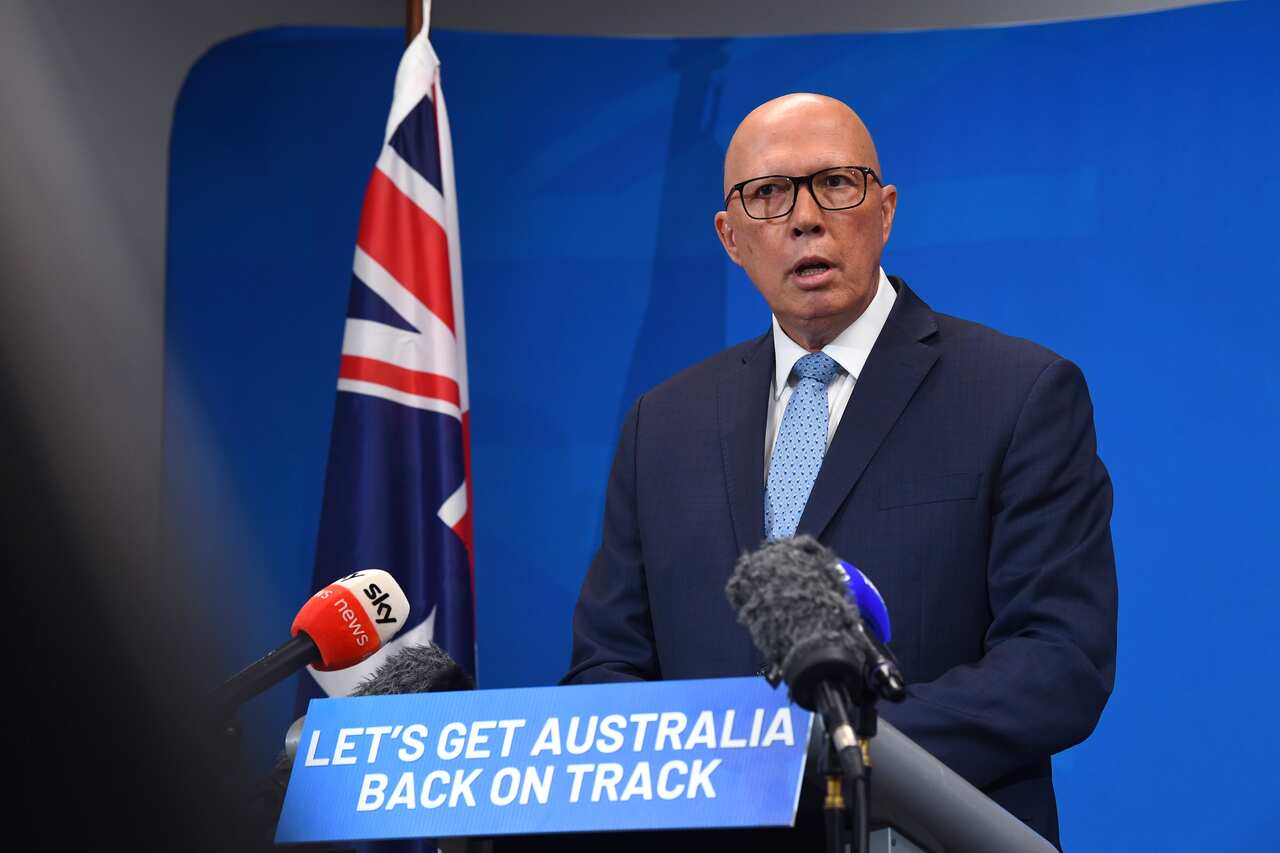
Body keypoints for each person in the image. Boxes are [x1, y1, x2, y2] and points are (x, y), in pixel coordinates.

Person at [563, 93, 1117, 848]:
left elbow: (1058, 662)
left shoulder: (1017, 394)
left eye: (836, 184)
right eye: (768, 194)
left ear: (885, 210)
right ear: (730, 237)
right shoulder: (661, 425)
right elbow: (607, 664)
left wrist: (832, 752)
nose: (805, 217)